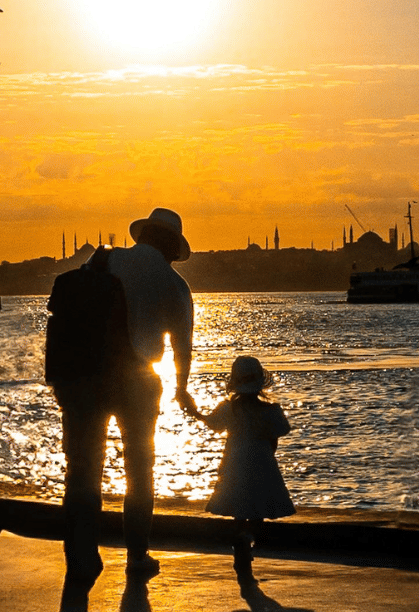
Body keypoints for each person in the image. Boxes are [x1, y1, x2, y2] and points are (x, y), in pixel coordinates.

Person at [55, 207, 195, 585]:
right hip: (136, 381)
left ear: (143, 235)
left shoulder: (101, 259)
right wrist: (182, 390)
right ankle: (137, 555)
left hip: (83, 377)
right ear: (171, 246)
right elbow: (183, 348)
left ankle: (81, 557)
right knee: (139, 470)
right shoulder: (174, 284)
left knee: (82, 470)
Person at [182, 355, 295, 587]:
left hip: (234, 462)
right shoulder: (270, 410)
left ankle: (239, 542)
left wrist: (193, 411)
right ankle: (248, 538)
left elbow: (211, 423)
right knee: (258, 510)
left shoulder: (228, 410)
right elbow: (277, 436)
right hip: (262, 461)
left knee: (238, 509)